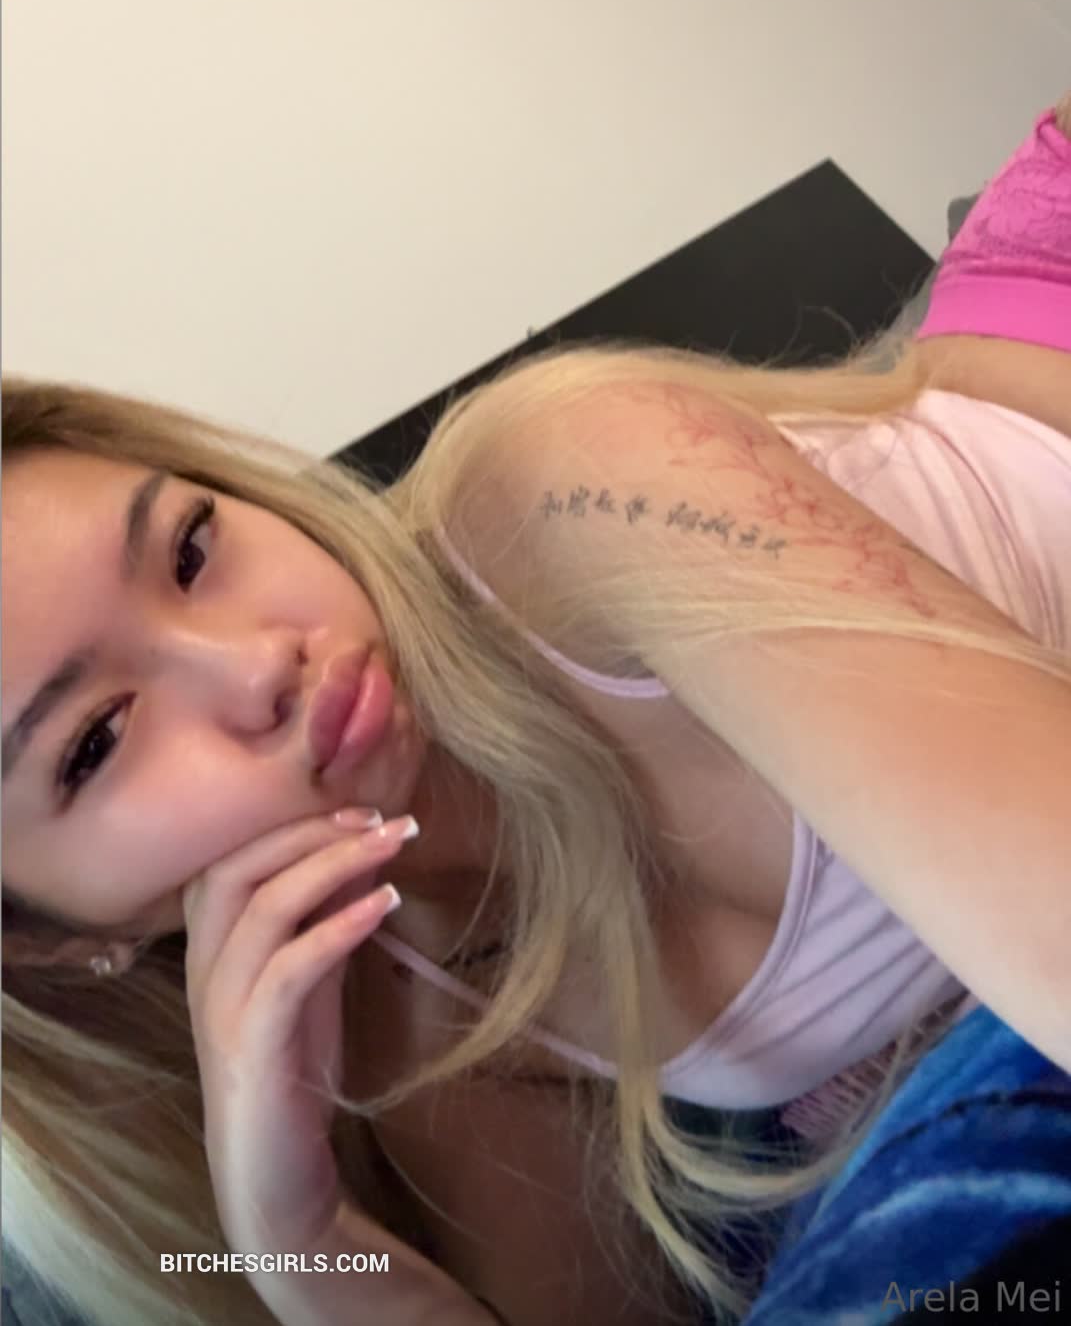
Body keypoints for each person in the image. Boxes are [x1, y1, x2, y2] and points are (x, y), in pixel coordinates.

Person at [2, 97, 1070, 1326]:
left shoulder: (557, 494)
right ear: (51, 940)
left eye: (193, 547)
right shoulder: (403, 1016)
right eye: (96, 741)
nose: (256, 667)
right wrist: (299, 1243)